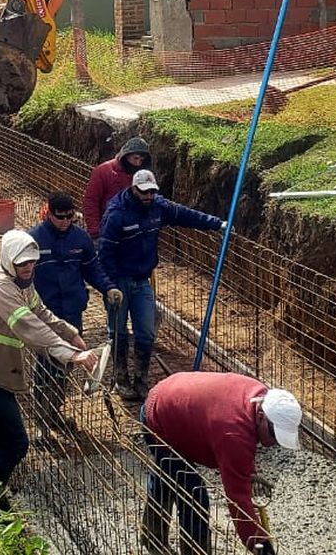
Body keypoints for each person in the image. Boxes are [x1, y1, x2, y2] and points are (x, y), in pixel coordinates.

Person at [0, 229, 99, 500]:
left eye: (32, 262)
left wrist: (70, 332)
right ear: (9, 260)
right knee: (16, 443)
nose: (28, 267)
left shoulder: (20, 279)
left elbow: (39, 311)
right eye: (22, 263)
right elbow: (28, 325)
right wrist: (69, 353)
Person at [141, 371, 300, 555]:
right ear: (262, 416)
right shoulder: (234, 433)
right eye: (274, 435)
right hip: (159, 420)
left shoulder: (258, 396)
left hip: (171, 398)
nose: (274, 443)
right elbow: (237, 499)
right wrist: (261, 545)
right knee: (193, 495)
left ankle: (151, 536)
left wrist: (247, 471)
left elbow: (243, 443)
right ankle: (193, 551)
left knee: (167, 474)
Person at [99, 169, 225, 400]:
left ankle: (141, 379)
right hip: (119, 282)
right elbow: (105, 253)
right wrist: (109, 287)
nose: (148, 196)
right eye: (144, 192)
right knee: (118, 332)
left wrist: (217, 224)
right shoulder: (117, 214)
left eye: (152, 192)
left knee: (145, 332)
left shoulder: (158, 207)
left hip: (142, 280)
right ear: (134, 189)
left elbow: (185, 215)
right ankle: (121, 377)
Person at [26, 193, 122, 429]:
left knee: (66, 365)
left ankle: (54, 411)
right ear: (49, 213)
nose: (66, 221)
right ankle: (41, 421)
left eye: (70, 216)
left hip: (72, 314)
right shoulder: (33, 240)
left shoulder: (80, 239)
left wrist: (108, 288)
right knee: (46, 365)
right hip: (46, 315)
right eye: (60, 217)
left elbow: (92, 269)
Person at [82, 136, 152, 240]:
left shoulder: (142, 175)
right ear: (126, 155)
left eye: (141, 160)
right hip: (107, 231)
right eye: (136, 158)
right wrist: (95, 231)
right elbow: (91, 201)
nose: (138, 163)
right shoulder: (103, 171)